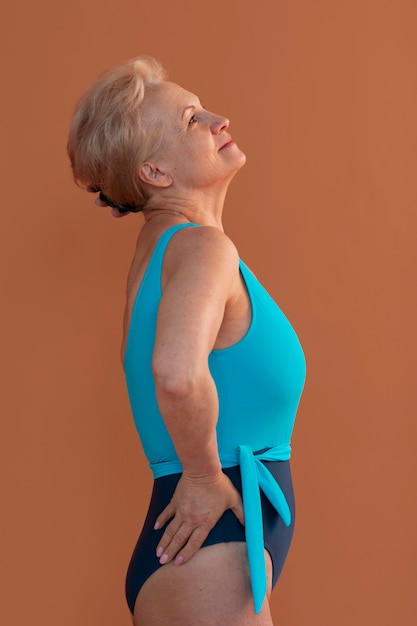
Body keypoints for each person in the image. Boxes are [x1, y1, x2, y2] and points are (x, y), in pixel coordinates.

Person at [67, 56, 306, 626]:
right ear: (154, 172)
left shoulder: (160, 252)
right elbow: (175, 372)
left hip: (208, 548)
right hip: (207, 547)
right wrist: (203, 476)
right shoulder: (201, 248)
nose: (218, 120)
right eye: (192, 118)